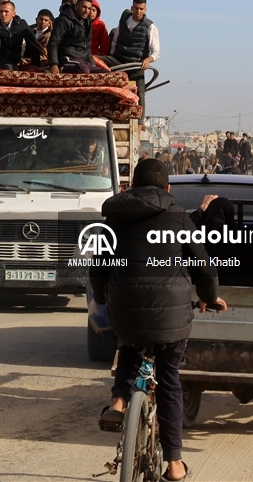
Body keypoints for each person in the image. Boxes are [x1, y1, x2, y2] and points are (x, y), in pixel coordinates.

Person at [90, 159, 226, 482]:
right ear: (168, 189)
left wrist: (103, 296)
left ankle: (119, 402)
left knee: (129, 345)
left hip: (125, 311)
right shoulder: (179, 218)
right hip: (172, 318)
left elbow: (98, 268)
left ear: (132, 187)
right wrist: (209, 296)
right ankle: (175, 464)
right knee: (168, 381)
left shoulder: (114, 219)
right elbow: (204, 269)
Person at [100, 0, 159, 103]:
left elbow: (156, 52)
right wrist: (112, 54)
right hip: (119, 61)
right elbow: (115, 40)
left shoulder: (150, 27)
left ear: (145, 10)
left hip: (136, 65)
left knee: (140, 95)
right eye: (136, 8)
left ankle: (140, 120)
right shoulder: (124, 21)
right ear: (132, 8)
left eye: (141, 9)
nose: (138, 11)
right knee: (95, 60)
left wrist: (147, 60)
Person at [48, 0, 108, 74]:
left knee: (105, 74)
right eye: (84, 7)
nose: (86, 11)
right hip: (66, 58)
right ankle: (62, 68)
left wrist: (92, 64)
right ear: (76, 7)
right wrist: (54, 64)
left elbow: (87, 47)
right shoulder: (64, 20)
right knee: (83, 70)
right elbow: (53, 43)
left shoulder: (87, 22)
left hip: (82, 60)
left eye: (89, 8)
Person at [0, 1, 38, 70]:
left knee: (8, 68)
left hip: (11, 62)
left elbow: (33, 44)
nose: (3, 14)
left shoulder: (22, 25)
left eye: (6, 11)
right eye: (1, 11)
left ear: (13, 14)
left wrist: (35, 63)